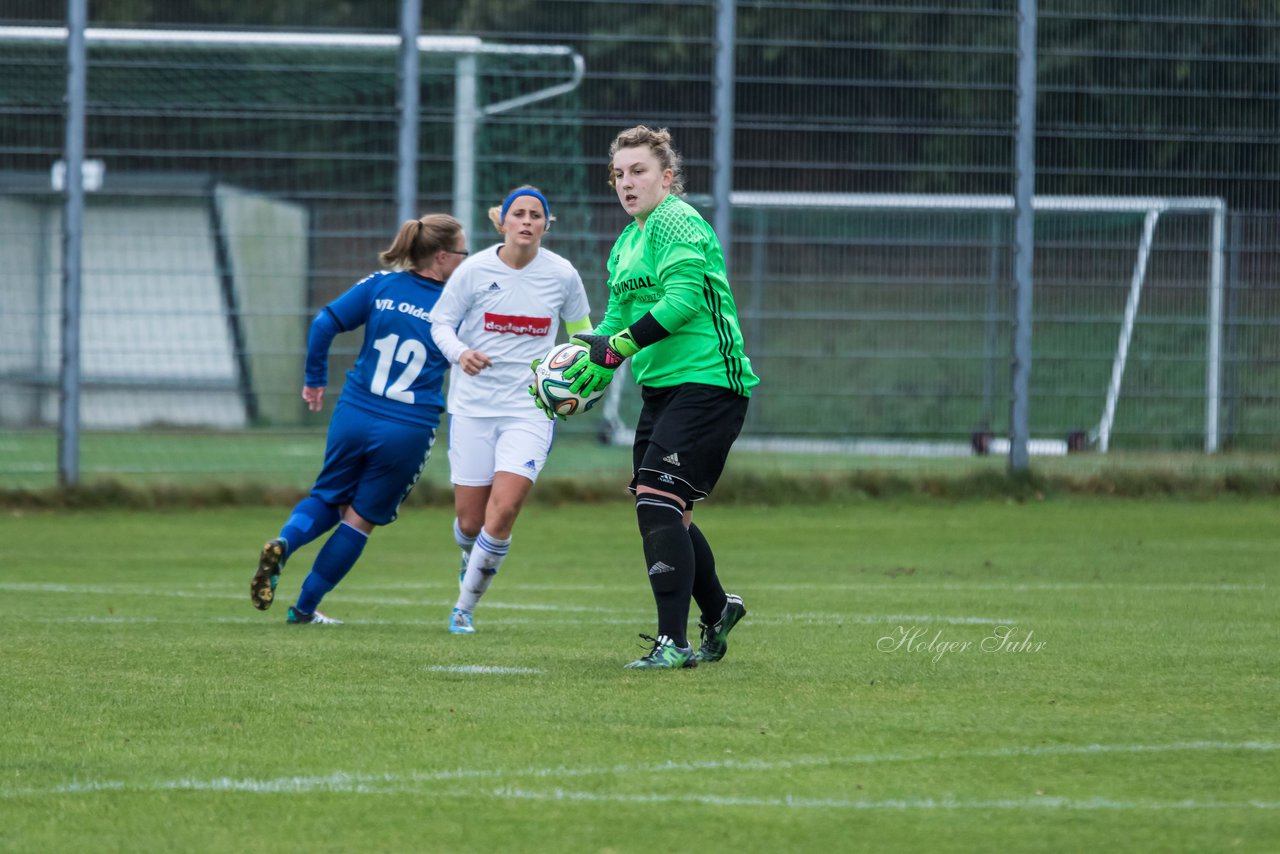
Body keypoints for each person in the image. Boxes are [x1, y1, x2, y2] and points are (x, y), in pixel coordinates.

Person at [563, 126, 760, 669]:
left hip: (710, 381)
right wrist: (584, 362)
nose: (627, 183)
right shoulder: (627, 242)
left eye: (639, 171)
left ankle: (672, 643)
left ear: (667, 177)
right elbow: (616, 321)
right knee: (667, 512)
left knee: (656, 500)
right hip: (662, 391)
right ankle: (719, 609)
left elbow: (683, 302)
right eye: (618, 174)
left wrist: (618, 346)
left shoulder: (676, 219)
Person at [249, 214, 467, 624]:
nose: (467, 261)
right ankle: (305, 608)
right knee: (360, 518)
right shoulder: (455, 305)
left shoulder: (380, 284)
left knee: (328, 497)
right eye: (463, 253)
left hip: (354, 411)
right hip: (407, 425)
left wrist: (315, 379)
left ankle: (285, 540)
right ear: (441, 258)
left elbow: (323, 322)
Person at [429, 185, 591, 634]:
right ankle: (470, 556)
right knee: (470, 521)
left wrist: (580, 376)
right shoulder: (474, 270)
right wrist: (461, 353)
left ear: (545, 224)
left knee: (504, 512)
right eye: (517, 214)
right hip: (473, 407)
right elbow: (440, 323)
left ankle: (463, 608)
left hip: (530, 409)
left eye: (535, 215)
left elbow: (582, 334)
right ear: (502, 222)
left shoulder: (562, 275)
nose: (526, 221)